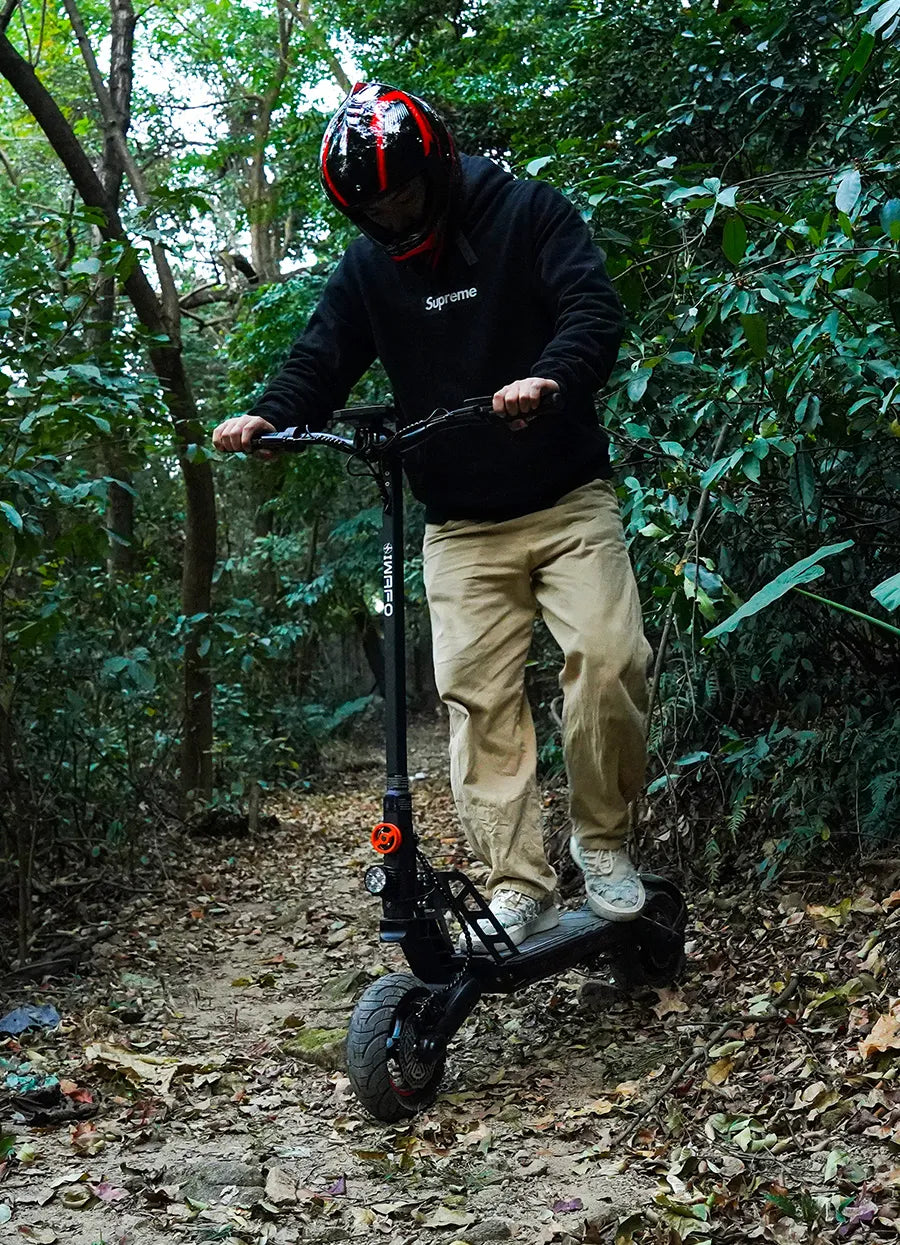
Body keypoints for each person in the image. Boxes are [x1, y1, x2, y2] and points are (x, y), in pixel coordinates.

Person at [213, 82, 653, 946]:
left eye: (406, 193)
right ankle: (519, 880)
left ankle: (602, 845)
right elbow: (321, 356)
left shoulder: (526, 212)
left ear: (438, 165)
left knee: (608, 662)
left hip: (567, 501)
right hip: (460, 524)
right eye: (375, 205)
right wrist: (273, 415)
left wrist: (550, 376)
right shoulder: (370, 268)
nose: (395, 214)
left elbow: (592, 312)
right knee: (477, 700)